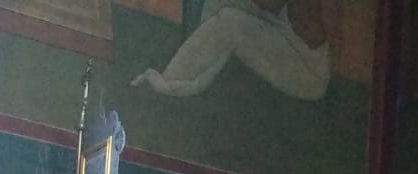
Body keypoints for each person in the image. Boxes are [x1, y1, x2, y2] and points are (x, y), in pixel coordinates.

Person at [130, 0, 331, 101]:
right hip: (279, 35)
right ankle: (193, 71)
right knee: (220, 6)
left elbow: (271, 4)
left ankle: (168, 83)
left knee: (230, 23)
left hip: (307, 70)